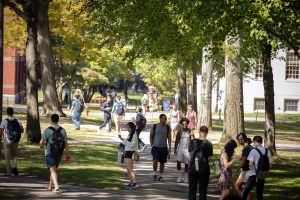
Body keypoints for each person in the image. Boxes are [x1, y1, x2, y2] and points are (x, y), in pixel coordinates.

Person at [39, 114, 70, 193]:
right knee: (53, 169)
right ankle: (50, 186)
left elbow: (41, 142)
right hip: (59, 152)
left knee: (52, 170)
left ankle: (56, 187)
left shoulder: (47, 130)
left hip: (50, 152)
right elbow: (66, 144)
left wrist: (41, 146)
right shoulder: (63, 130)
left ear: (51, 120)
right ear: (58, 120)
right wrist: (67, 153)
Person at [242, 136, 272, 200]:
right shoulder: (268, 151)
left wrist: (253, 166)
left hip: (254, 174)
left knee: (246, 190)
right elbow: (270, 165)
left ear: (255, 142)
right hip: (263, 174)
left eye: (253, 143)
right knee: (260, 192)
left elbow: (250, 164)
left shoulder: (254, 151)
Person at [188, 126, 213, 200]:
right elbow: (209, 157)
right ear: (207, 133)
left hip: (192, 169)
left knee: (192, 191)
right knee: (203, 191)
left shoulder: (192, 142)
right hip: (204, 170)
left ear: (199, 132)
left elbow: (190, 153)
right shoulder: (209, 144)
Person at [0, 107, 24, 176]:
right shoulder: (18, 121)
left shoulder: (4, 121)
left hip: (7, 140)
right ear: (13, 113)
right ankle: (14, 167)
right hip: (15, 140)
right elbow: (22, 130)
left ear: (7, 113)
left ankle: (8, 172)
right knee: (14, 155)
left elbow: (1, 132)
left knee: (7, 157)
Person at [150, 114, 172, 182]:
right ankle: (155, 173)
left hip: (164, 147)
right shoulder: (155, 126)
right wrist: (152, 145)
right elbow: (151, 135)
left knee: (162, 162)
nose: (165, 120)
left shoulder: (167, 127)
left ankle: (160, 176)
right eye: (164, 119)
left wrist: (170, 147)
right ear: (160, 119)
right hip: (156, 147)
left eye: (166, 119)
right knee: (155, 160)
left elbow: (169, 137)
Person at [119, 122, 139, 189]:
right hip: (126, 152)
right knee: (127, 169)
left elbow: (132, 144)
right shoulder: (129, 135)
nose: (128, 129)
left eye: (129, 127)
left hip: (131, 152)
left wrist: (126, 142)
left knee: (130, 169)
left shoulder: (134, 135)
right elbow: (125, 142)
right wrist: (121, 138)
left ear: (132, 128)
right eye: (127, 127)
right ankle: (131, 182)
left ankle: (135, 183)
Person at [174, 118, 193, 183]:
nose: (184, 125)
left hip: (187, 149)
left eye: (185, 124)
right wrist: (175, 149)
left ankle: (186, 177)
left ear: (188, 124)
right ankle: (179, 176)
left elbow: (193, 141)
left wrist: (192, 150)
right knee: (178, 162)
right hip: (180, 148)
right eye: (183, 124)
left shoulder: (190, 131)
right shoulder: (180, 131)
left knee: (187, 163)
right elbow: (176, 140)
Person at [235, 133, 253, 200]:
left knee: (246, 189)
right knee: (237, 185)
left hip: (247, 171)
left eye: (238, 140)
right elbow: (245, 158)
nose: (238, 142)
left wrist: (236, 171)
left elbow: (243, 161)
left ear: (241, 140)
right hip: (246, 170)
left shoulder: (246, 148)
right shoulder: (249, 147)